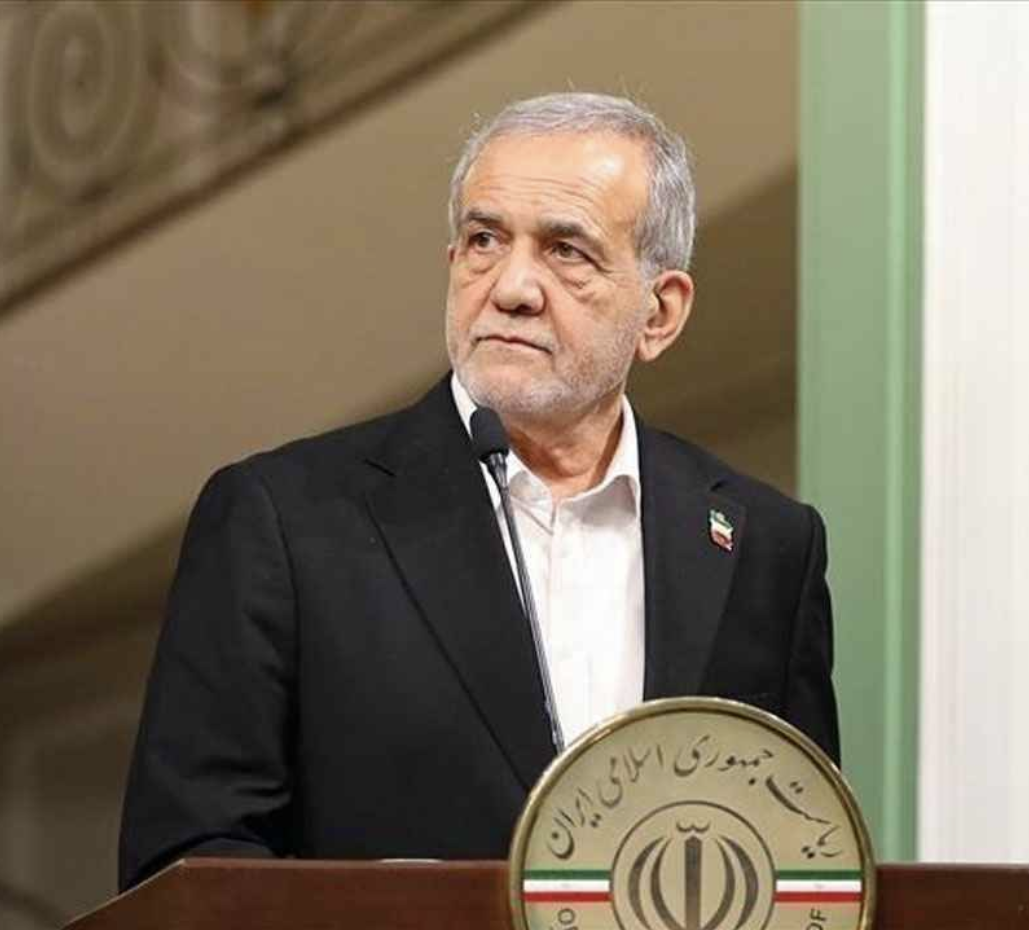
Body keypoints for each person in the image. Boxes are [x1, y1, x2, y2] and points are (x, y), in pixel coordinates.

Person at [117, 92, 838, 891]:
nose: (511, 287)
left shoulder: (765, 545)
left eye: (566, 250)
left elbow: (807, 863)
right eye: (485, 240)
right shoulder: (282, 522)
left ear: (659, 313)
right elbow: (188, 867)